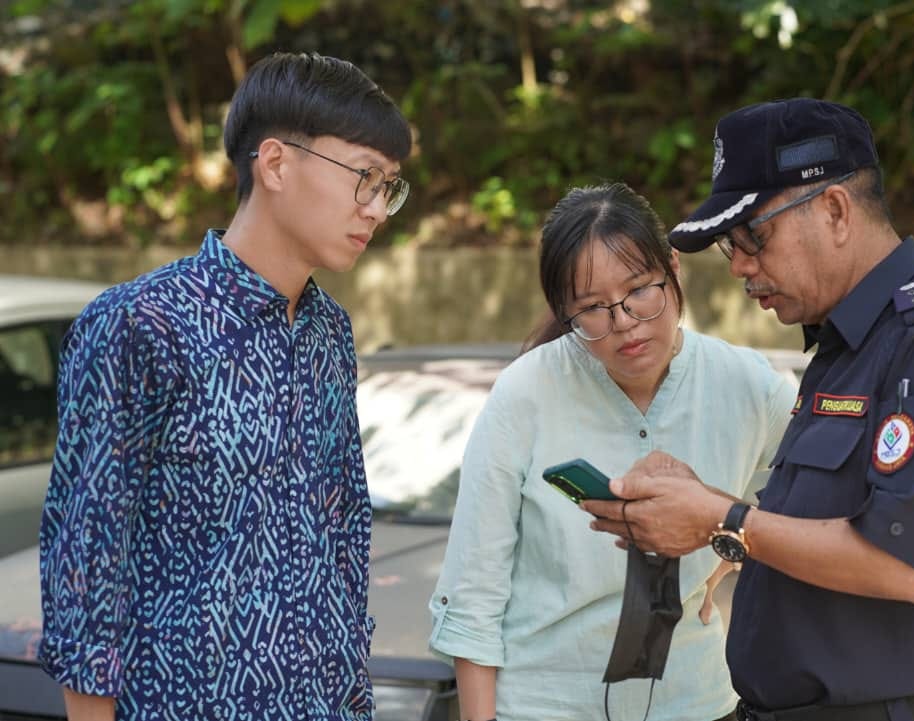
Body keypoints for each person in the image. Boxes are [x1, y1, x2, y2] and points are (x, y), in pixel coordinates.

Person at [584, 98, 914, 721]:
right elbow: (821, 521)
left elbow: (907, 565)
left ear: (835, 209)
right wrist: (705, 509)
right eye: (727, 247)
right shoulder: (844, 346)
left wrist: (725, 518)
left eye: (752, 236)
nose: (741, 265)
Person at [38, 52, 412, 721]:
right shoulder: (140, 323)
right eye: (365, 178)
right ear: (274, 164)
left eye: (390, 186)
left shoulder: (330, 332)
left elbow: (344, 537)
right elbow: (86, 575)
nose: (379, 209)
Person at [428, 182, 796, 721]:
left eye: (640, 291)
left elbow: (818, 496)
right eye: (593, 309)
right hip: (545, 707)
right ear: (564, 311)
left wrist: (729, 541)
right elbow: (473, 596)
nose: (624, 322)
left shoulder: (749, 385)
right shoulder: (525, 394)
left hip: (697, 703)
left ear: (673, 266)